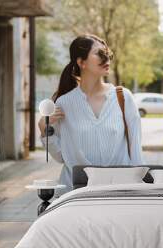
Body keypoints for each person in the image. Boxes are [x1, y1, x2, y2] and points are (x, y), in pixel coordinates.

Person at [38, 34, 144, 190]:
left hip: (118, 191)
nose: (106, 58)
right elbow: (62, 157)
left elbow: (136, 152)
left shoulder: (123, 97)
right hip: (76, 192)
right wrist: (45, 131)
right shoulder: (64, 103)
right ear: (81, 62)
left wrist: (138, 188)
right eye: (99, 53)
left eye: (107, 53)